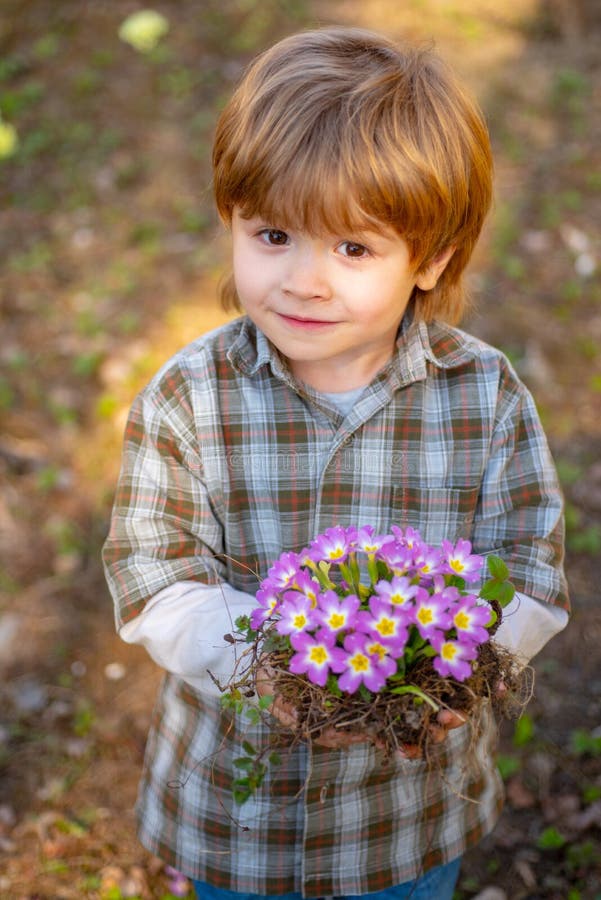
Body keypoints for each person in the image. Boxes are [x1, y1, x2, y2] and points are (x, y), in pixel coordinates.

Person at [102, 26, 569, 900]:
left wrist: (437, 668)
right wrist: (277, 661)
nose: (305, 281)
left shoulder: (484, 396)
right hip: (236, 823)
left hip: (404, 818)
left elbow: (531, 570)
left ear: (429, 259)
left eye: (353, 249)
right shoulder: (188, 397)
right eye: (272, 235)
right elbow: (152, 576)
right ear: (230, 222)